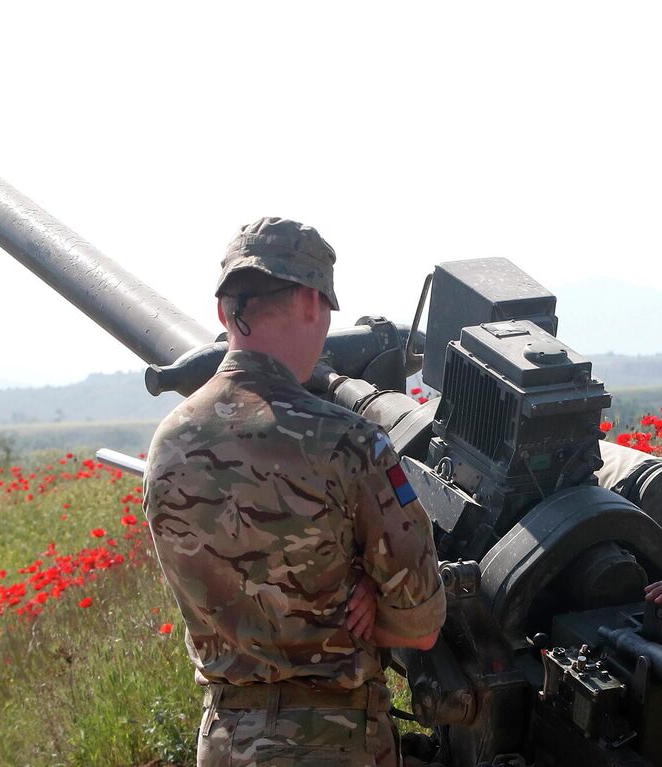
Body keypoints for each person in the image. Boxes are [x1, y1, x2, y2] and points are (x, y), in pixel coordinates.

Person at [144, 217, 446, 767]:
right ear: (312, 301)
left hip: (225, 741)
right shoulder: (349, 443)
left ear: (223, 312)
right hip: (333, 742)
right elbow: (422, 626)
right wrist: (367, 602)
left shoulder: (168, 444)